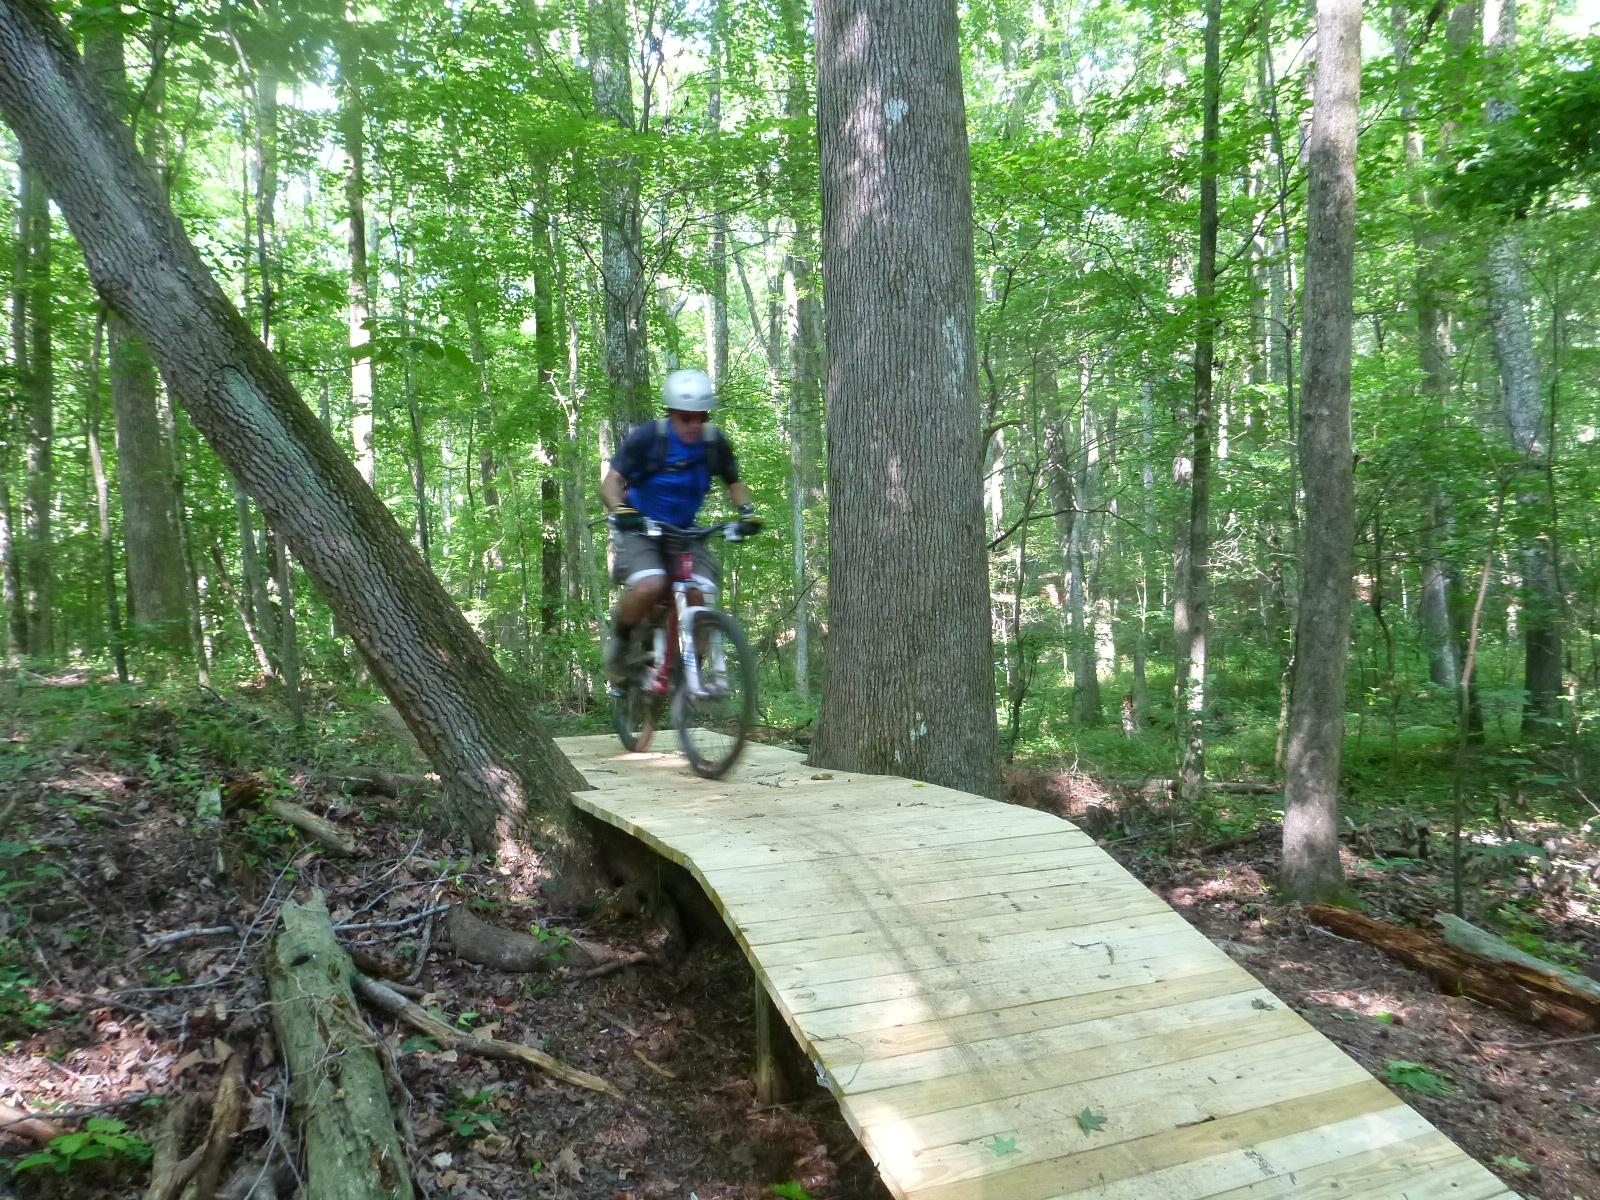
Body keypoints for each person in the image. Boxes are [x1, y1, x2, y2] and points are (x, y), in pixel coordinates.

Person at [600, 368, 759, 686]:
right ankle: (621, 640)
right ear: (672, 413)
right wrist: (620, 509)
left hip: (685, 532)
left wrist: (747, 513)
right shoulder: (648, 439)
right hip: (640, 527)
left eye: (700, 417)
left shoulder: (714, 443)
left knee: (700, 592)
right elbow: (610, 484)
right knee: (651, 584)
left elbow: (734, 484)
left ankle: (691, 675)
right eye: (686, 418)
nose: (694, 424)